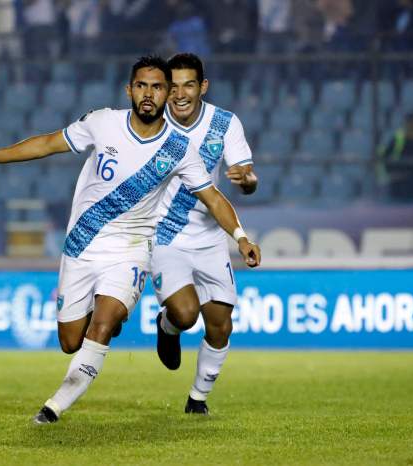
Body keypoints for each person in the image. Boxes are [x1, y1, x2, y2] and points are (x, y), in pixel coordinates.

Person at [0, 56, 262, 424]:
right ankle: (107, 319)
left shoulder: (179, 149)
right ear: (129, 90)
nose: (149, 94)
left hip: (130, 251)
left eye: (157, 87)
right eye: (142, 86)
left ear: (166, 95)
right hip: (83, 244)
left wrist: (240, 237)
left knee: (103, 326)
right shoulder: (102, 123)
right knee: (70, 342)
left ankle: (53, 407)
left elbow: (214, 198)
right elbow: (47, 144)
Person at [151, 53, 258, 415]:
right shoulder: (151, 123)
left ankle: (197, 399)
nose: (180, 94)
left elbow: (243, 175)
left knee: (220, 325)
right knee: (185, 314)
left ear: (203, 87)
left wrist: (247, 182)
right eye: (174, 86)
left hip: (210, 237)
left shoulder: (224, 123)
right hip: (165, 235)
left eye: (189, 85)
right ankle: (167, 325)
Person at [377, 112, 413, 202]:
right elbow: (384, 157)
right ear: (406, 124)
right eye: (410, 123)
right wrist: (392, 174)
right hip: (398, 178)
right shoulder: (397, 139)